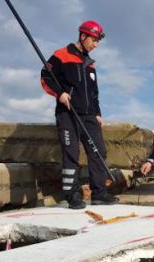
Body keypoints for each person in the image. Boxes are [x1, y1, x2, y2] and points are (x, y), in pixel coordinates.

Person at [40, 20, 118, 209]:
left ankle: (99, 193)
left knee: (99, 150)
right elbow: (45, 77)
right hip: (68, 114)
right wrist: (60, 94)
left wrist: (97, 113)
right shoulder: (61, 55)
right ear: (83, 36)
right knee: (71, 154)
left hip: (89, 116)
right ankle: (72, 195)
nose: (96, 45)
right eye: (94, 40)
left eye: (98, 41)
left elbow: (94, 92)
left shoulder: (90, 64)